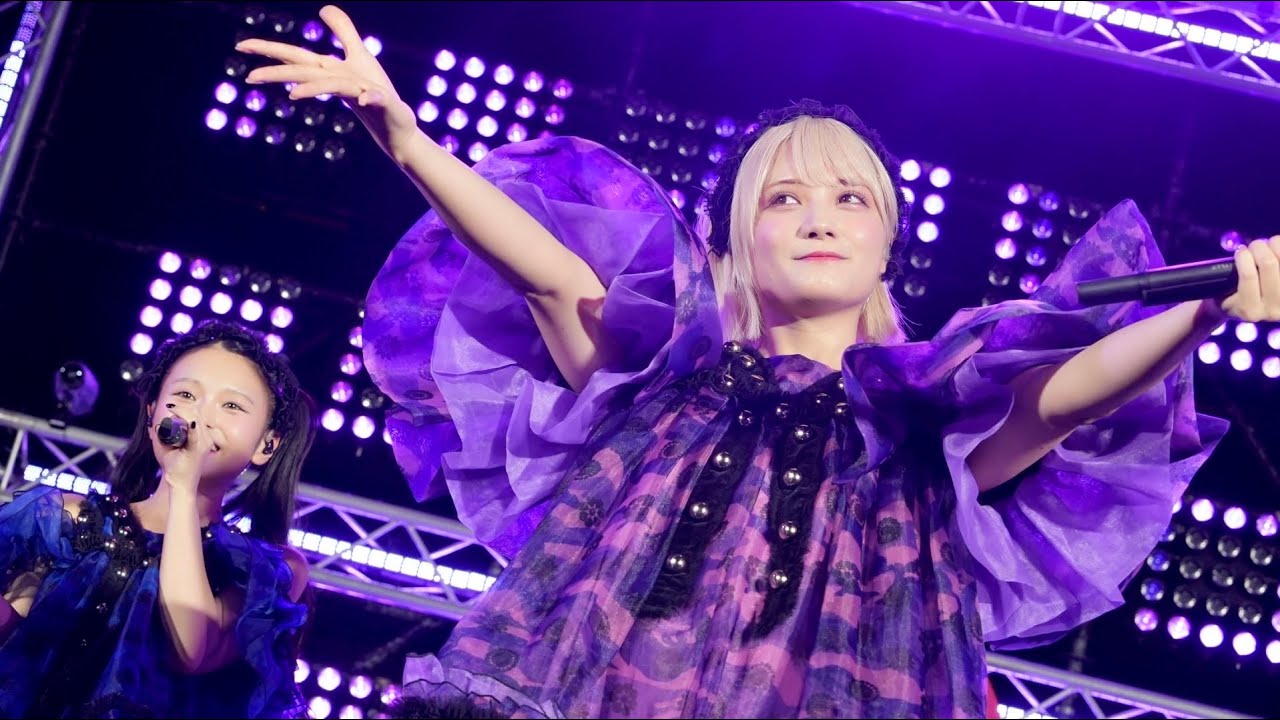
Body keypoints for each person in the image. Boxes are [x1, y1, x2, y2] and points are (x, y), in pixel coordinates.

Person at [238, 6, 1277, 718]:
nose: (818, 219)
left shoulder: (915, 424)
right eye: (784, 198)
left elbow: (1056, 402)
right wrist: (406, 139)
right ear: (739, 240)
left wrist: (1206, 309)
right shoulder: (662, 385)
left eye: (849, 198)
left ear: (885, 242)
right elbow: (550, 278)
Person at [0, 320, 317, 718]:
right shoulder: (63, 521)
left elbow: (191, 650)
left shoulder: (265, 570)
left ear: (267, 444)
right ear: (152, 413)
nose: (201, 415)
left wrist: (183, 487)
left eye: (231, 405)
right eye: (186, 394)